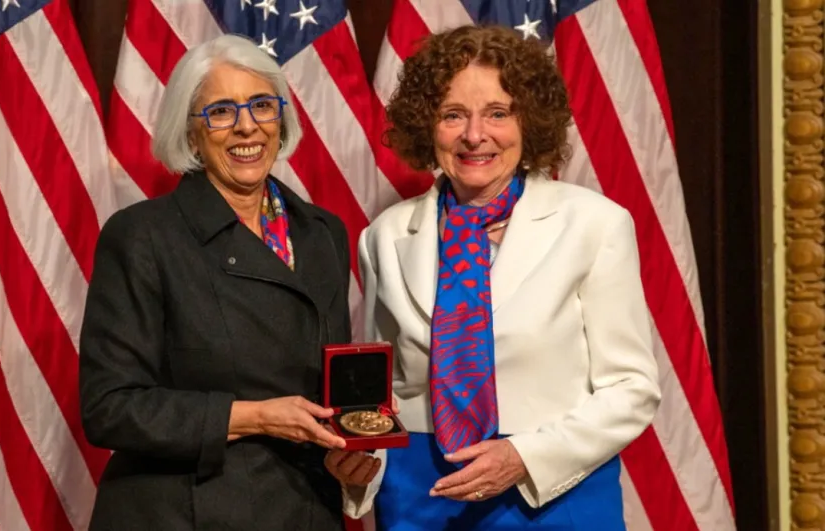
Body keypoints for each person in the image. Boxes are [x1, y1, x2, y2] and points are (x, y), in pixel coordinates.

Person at [325, 25, 662, 530]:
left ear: (529, 122)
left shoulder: (595, 224)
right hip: (422, 499)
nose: (475, 135)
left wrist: (524, 458)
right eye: (452, 115)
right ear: (426, 126)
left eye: (498, 114)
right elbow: (381, 396)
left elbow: (632, 388)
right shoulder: (384, 236)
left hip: (552, 496)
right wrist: (359, 470)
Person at [79, 34, 353, 531]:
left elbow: (332, 387)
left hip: (302, 508)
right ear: (191, 132)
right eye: (222, 111)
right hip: (183, 513)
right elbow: (109, 407)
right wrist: (253, 417)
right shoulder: (143, 235)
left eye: (262, 106)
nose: (247, 126)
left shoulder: (322, 233)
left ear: (281, 117)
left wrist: (350, 453)